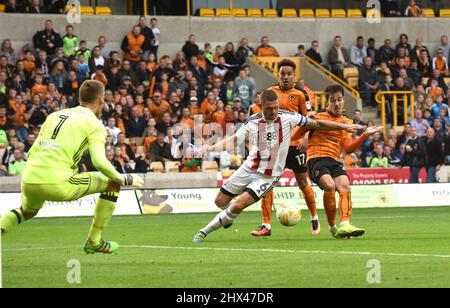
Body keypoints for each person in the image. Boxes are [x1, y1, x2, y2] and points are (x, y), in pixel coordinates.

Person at [192, 89, 362, 243]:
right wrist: (210, 148)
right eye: (269, 108)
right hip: (249, 167)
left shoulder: (288, 117)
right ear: (261, 106)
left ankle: (203, 232)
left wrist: (344, 126)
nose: (273, 111)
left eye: (275, 107)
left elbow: (316, 124)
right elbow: (233, 140)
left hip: (268, 176)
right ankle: (229, 217)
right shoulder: (252, 122)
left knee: (237, 205)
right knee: (220, 201)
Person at [0, 80, 144, 255]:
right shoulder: (94, 124)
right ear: (100, 99)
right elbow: (99, 161)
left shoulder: (55, 115)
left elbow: (31, 152)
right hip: (58, 182)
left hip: (29, 178)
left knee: (27, 211)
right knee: (112, 183)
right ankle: (94, 241)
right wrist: (122, 177)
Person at [251, 60, 320, 237]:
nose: (286, 77)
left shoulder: (300, 94)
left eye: (289, 74)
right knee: (267, 184)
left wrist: (305, 138)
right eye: (283, 73)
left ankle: (314, 217)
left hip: (295, 146)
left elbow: (310, 119)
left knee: (303, 182)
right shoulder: (270, 92)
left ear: (294, 75)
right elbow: (263, 118)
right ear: (278, 74)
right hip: (274, 146)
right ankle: (266, 225)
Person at [305, 85, 383, 238]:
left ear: (343, 100)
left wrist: (364, 135)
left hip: (334, 160)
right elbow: (304, 130)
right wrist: (303, 139)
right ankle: (332, 227)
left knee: (345, 185)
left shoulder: (346, 121)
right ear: (328, 102)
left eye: (339, 100)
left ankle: (345, 224)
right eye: (333, 100)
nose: (336, 103)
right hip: (316, 159)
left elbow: (347, 149)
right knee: (330, 185)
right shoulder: (317, 116)